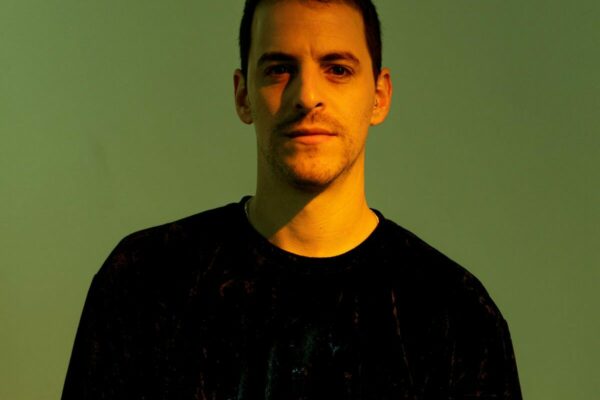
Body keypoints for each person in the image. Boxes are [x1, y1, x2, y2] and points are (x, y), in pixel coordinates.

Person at [62, 0, 522, 398]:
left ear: (379, 96)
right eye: (280, 69)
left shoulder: (455, 316)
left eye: (337, 69)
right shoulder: (146, 283)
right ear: (243, 95)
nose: (307, 96)